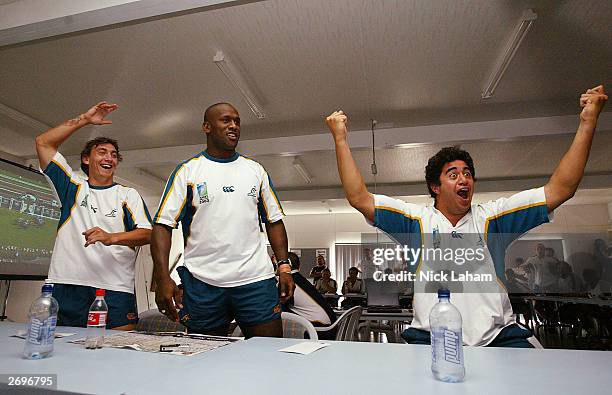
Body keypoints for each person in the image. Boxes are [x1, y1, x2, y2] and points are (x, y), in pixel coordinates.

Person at [325, 85, 607, 347]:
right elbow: (359, 197)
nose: (464, 179)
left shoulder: (493, 218)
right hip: (430, 338)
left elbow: (561, 189)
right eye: (453, 174)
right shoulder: (416, 220)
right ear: (435, 188)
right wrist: (340, 138)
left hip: (498, 337)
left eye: (468, 173)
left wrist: (588, 121)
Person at [151, 102, 294, 338]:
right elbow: (162, 226)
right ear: (207, 127)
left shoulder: (255, 170)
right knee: (205, 360)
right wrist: (162, 276)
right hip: (203, 283)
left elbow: (274, 221)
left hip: (255, 281)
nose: (234, 126)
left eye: (237, 121)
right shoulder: (187, 172)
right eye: (226, 120)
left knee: (269, 357)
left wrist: (285, 266)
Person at [35, 102, 153, 330]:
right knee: (65, 352)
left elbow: (147, 233)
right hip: (68, 284)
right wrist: (84, 120)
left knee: (120, 354)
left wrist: (111, 238)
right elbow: (43, 142)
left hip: (115, 288)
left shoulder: (127, 195)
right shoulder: (72, 187)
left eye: (114, 155)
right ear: (86, 159)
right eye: (102, 152)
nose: (109, 157)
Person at [283, 252, 337, 337]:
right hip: (331, 325)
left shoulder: (288, 282)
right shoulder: (300, 279)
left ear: (288, 264)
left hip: (321, 330)